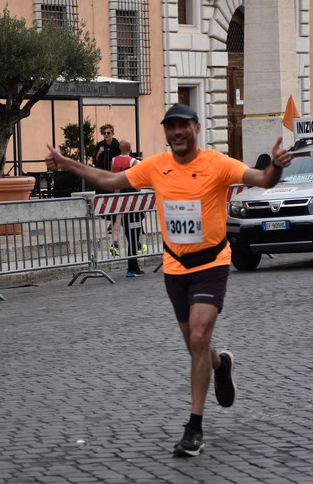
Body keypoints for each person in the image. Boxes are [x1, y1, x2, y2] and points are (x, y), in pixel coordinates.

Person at [46, 103, 291, 457]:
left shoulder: (217, 164)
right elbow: (110, 180)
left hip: (212, 262)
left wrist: (276, 169)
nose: (176, 131)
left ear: (196, 127)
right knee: (196, 346)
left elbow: (261, 179)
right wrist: (68, 163)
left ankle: (194, 426)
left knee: (197, 335)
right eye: (170, 126)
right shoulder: (156, 167)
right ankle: (220, 365)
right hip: (175, 266)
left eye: (182, 125)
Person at [111, 139, 144, 277]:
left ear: (119, 148)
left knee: (123, 228)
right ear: (130, 148)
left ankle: (117, 245)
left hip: (119, 198)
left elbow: (112, 177)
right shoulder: (134, 162)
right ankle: (132, 267)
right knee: (134, 234)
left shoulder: (114, 160)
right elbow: (138, 182)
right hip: (132, 201)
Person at [94, 124, 121, 239]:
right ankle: (114, 221)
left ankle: (114, 223)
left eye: (108, 133)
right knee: (104, 200)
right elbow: (95, 160)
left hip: (114, 177)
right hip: (103, 177)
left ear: (112, 133)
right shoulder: (100, 145)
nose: (106, 135)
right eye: (104, 133)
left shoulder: (117, 145)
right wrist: (99, 153)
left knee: (114, 200)